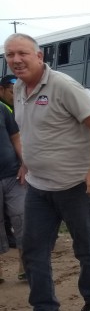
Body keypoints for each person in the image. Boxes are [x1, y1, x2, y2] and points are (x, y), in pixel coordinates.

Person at [4, 34, 90, 311]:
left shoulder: (63, 86)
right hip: (39, 187)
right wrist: (27, 162)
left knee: (85, 247)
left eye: (22, 53)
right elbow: (30, 131)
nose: (16, 59)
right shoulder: (17, 88)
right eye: (10, 54)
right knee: (33, 249)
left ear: (39, 56)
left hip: (75, 185)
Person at [0, 96, 25, 283]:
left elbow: (15, 136)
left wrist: (24, 163)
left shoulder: (2, 108)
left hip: (12, 175)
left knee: (23, 218)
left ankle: (26, 267)